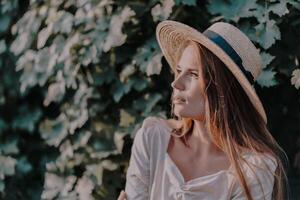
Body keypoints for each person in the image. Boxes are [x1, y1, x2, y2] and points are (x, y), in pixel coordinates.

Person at [118, 20, 289, 200]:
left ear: (224, 90)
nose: (176, 83)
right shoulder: (152, 139)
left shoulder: (253, 170)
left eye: (193, 74)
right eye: (178, 70)